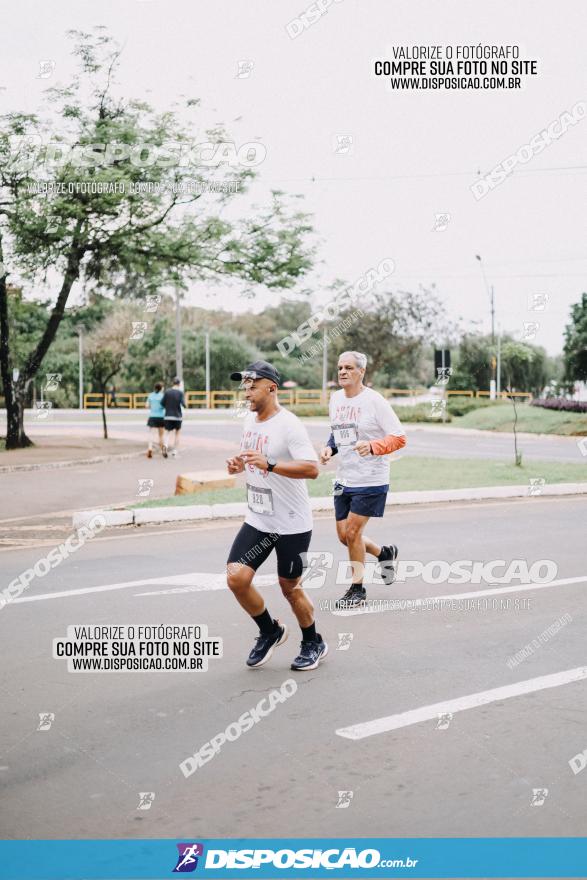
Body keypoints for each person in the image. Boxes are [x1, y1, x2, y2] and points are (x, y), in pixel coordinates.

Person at [225, 360, 328, 671]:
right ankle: (269, 630)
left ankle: (313, 641)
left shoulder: (290, 425)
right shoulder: (250, 423)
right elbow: (253, 458)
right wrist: (239, 464)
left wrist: (269, 463)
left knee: (290, 588)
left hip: (291, 524)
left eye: (252, 385)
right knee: (236, 578)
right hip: (259, 518)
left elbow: (312, 468)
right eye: (244, 385)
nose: (246, 392)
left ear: (271, 387)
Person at [320, 351, 406, 608]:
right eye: (340, 368)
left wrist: (373, 446)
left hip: (371, 478)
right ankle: (384, 553)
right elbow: (338, 433)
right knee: (344, 536)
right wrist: (329, 448)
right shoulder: (335, 399)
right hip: (344, 477)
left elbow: (399, 437)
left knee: (353, 532)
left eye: (348, 368)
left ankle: (357, 589)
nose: (342, 372)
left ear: (361, 372)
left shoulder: (375, 401)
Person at [161, 377, 185, 458]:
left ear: (173, 383)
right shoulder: (180, 393)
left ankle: (165, 446)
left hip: (168, 415)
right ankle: (174, 452)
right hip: (177, 416)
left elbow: (162, 403)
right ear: (178, 384)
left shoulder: (167, 392)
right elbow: (184, 404)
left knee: (167, 433)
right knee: (177, 434)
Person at [145, 381, 165, 458]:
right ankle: (163, 451)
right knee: (161, 436)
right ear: (161, 388)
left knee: (151, 434)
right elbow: (164, 406)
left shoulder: (150, 395)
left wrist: (152, 407)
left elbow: (146, 405)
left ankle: (150, 449)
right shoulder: (162, 396)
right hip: (161, 417)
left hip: (152, 417)